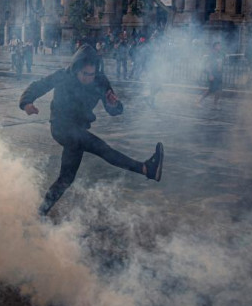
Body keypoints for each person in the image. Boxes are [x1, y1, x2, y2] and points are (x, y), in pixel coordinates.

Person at [20, 45, 164, 218]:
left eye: (92, 74)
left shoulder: (100, 81)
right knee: (102, 148)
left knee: (66, 179)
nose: (89, 78)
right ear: (76, 70)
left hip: (79, 131)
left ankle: (41, 212)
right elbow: (38, 86)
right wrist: (27, 103)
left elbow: (115, 109)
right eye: (85, 74)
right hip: (61, 127)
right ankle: (146, 168)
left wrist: (114, 105)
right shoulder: (63, 76)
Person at [197, 41, 223, 108]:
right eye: (218, 46)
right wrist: (210, 75)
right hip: (213, 74)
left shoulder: (219, 55)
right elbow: (208, 66)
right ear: (215, 47)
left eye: (220, 46)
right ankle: (199, 101)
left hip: (218, 75)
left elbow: (220, 64)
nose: (220, 47)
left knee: (219, 90)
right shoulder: (212, 55)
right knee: (210, 90)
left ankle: (215, 104)